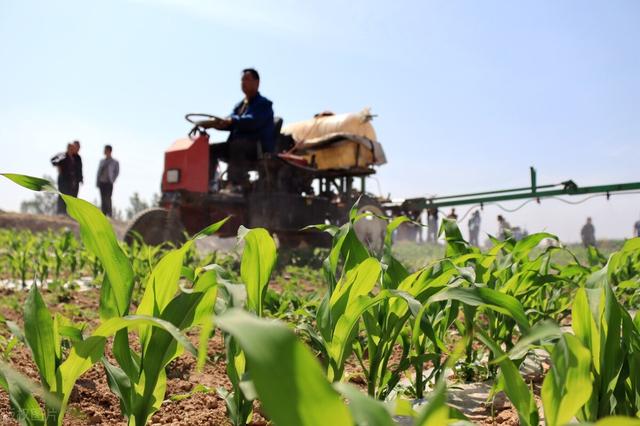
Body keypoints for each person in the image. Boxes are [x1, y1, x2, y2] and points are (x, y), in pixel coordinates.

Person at [209, 68, 275, 189]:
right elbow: (230, 120)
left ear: (257, 82)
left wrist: (232, 120)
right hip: (239, 145)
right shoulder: (240, 105)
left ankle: (234, 185)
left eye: (247, 79)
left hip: (258, 148)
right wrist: (217, 124)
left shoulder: (264, 104)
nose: (243, 83)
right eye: (242, 80)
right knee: (211, 149)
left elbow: (253, 121)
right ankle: (209, 184)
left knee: (238, 146)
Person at [51, 143, 79, 215]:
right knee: (62, 195)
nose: (72, 150)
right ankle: (60, 212)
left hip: (70, 181)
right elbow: (53, 161)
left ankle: (68, 213)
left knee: (70, 197)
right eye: (71, 148)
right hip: (63, 179)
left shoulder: (73, 158)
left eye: (73, 149)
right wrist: (58, 166)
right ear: (68, 148)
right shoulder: (62, 156)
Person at [96, 145, 120, 217]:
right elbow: (98, 172)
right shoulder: (102, 161)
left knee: (108, 198)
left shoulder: (115, 162)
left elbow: (117, 172)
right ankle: (103, 214)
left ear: (109, 151)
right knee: (102, 198)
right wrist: (97, 182)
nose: (104, 151)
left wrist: (113, 179)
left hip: (109, 182)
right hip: (101, 182)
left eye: (105, 150)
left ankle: (109, 214)